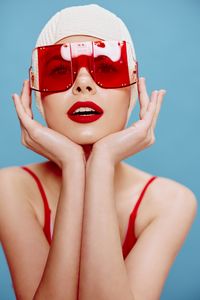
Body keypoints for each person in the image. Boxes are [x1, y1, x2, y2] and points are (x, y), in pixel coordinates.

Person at [0, 4, 197, 300]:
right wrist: (74, 166)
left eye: (105, 67)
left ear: (132, 87)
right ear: (38, 94)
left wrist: (101, 162)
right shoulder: (8, 189)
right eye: (58, 70)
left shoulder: (170, 201)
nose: (83, 85)